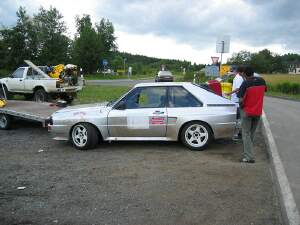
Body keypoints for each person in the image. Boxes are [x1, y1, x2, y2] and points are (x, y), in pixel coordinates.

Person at [237, 66, 267, 163]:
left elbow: (240, 99)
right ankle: (248, 152)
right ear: (253, 73)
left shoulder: (245, 83)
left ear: (245, 74)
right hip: (257, 111)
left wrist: (241, 106)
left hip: (247, 111)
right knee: (251, 134)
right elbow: (264, 91)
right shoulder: (262, 81)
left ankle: (249, 157)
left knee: (245, 134)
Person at [226, 66, 245, 140]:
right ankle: (237, 134)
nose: (230, 72)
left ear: (235, 71)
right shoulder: (236, 78)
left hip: (237, 101)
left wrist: (229, 93)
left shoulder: (238, 78)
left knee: (238, 118)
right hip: (235, 100)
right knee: (237, 118)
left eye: (231, 71)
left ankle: (237, 134)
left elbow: (238, 88)